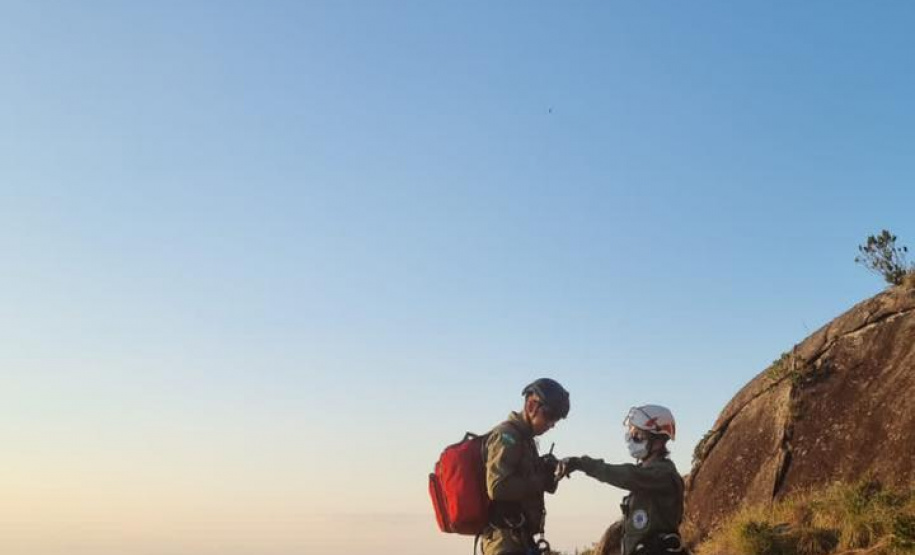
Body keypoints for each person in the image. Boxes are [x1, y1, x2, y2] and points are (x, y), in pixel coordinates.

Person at [557, 405, 684, 555]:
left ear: (658, 441)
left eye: (637, 435)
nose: (631, 439)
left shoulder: (662, 474)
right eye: (631, 432)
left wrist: (581, 464)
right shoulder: (649, 473)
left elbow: (627, 475)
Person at [481, 378, 571, 555]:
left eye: (556, 420)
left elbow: (531, 483)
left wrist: (549, 473)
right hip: (504, 543)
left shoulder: (525, 440)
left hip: (520, 539)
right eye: (550, 416)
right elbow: (498, 487)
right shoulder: (507, 436)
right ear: (531, 406)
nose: (552, 424)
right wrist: (540, 480)